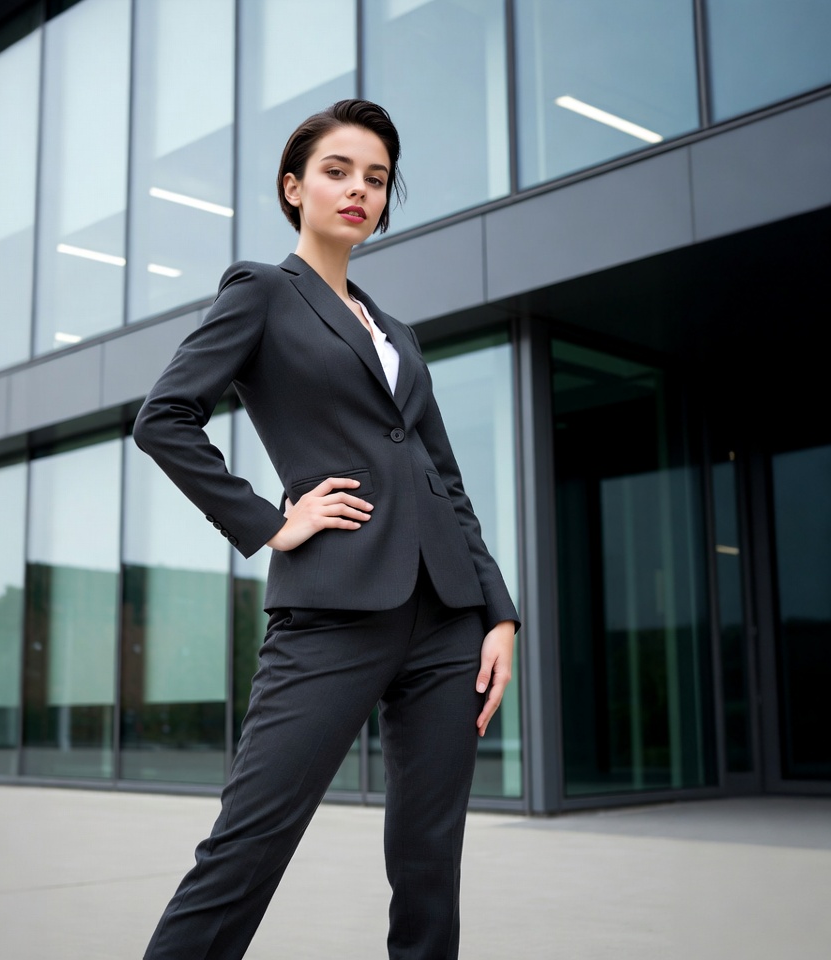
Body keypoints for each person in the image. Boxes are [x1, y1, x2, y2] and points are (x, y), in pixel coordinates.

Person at [133, 99, 519, 960]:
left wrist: (499, 611)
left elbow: (443, 479)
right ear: (293, 186)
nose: (359, 190)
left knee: (429, 865)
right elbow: (165, 418)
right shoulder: (263, 293)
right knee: (246, 846)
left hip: (448, 618)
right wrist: (272, 523)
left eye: (376, 179)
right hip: (334, 608)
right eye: (338, 171)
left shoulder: (398, 334)